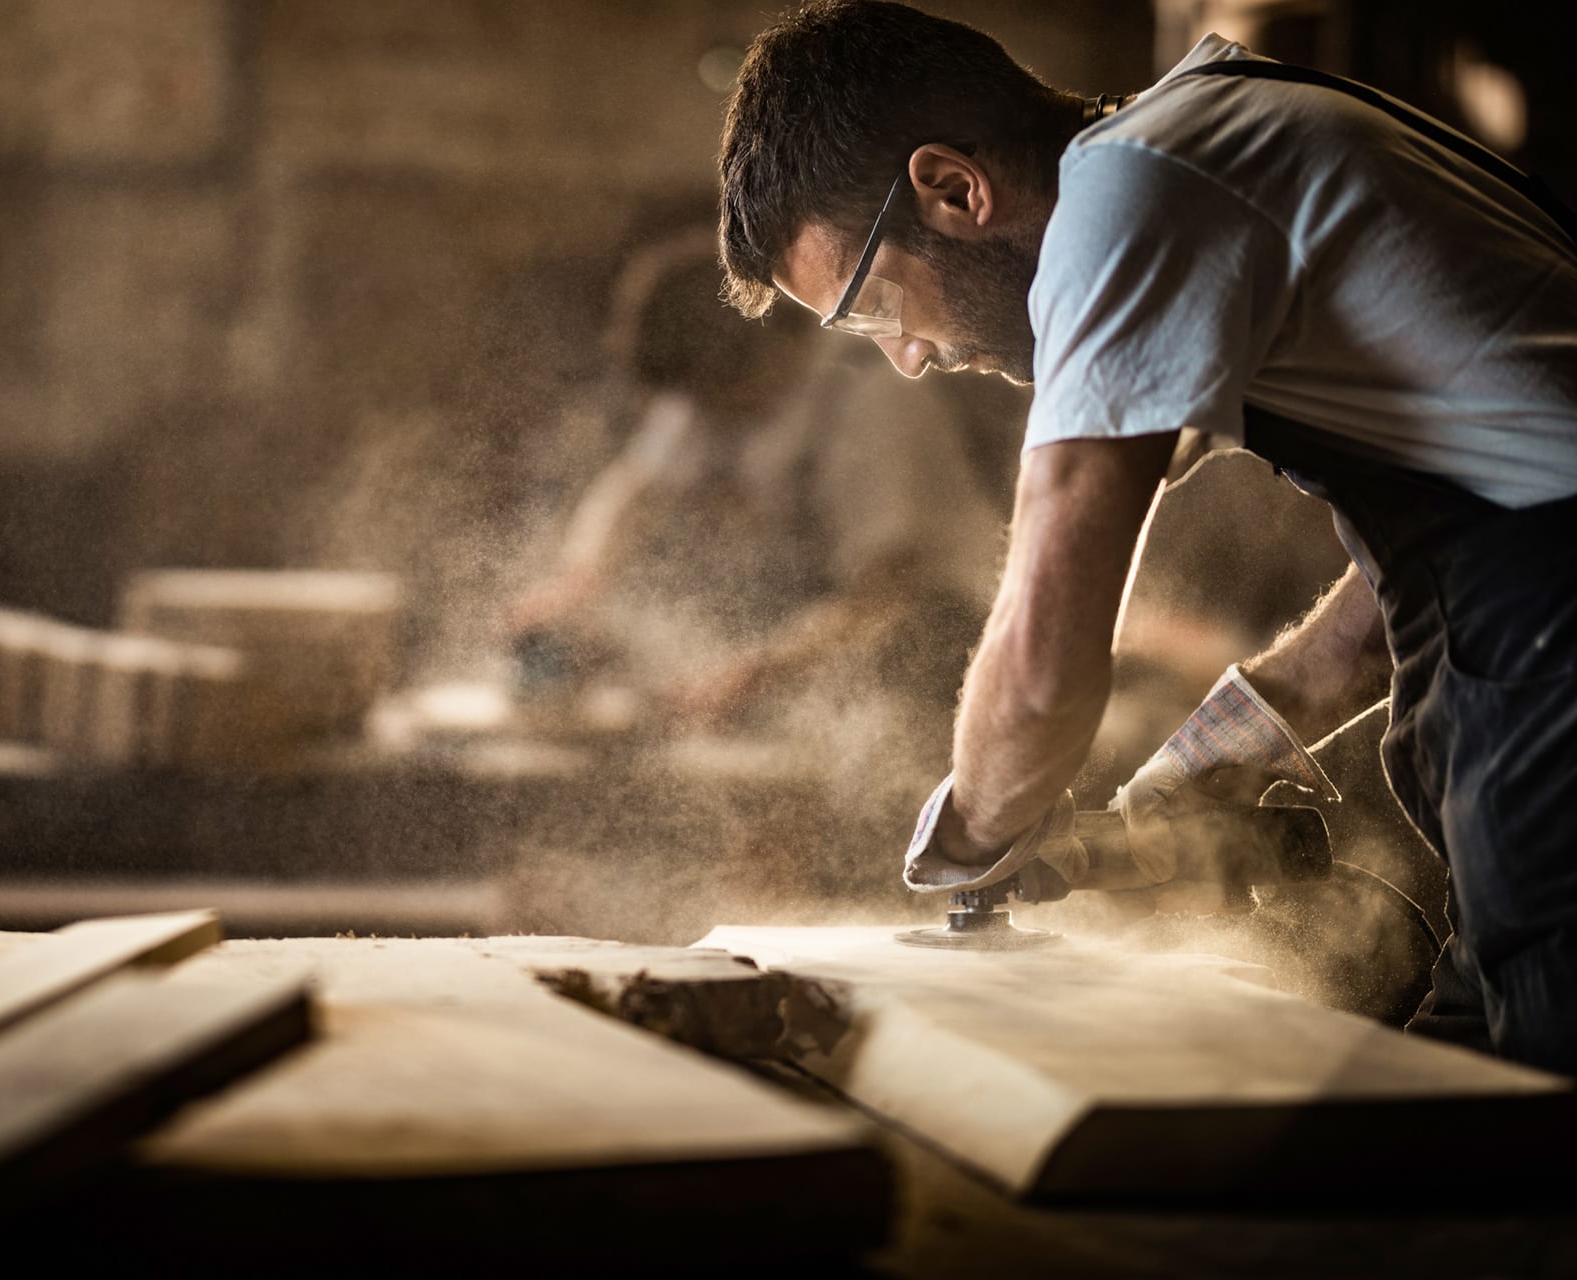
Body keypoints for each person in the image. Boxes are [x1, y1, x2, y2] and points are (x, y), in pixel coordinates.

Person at [717, 1, 1577, 1071]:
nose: (907, 357)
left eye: (871, 305)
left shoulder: (1127, 192)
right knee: (1477, 1084)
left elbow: (1041, 670)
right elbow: (1451, 548)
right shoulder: (1205, 138)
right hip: (1536, 627)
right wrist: (1235, 740)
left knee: (1526, 1130)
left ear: (954, 189)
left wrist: (973, 840)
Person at [508, 228, 1013, 787]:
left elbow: (888, 594)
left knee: (870, 776)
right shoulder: (714, 388)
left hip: (945, 642)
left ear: (774, 349)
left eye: (719, 400)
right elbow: (634, 493)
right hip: (821, 632)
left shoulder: (872, 397)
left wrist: (757, 673)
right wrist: (580, 581)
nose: (704, 419)